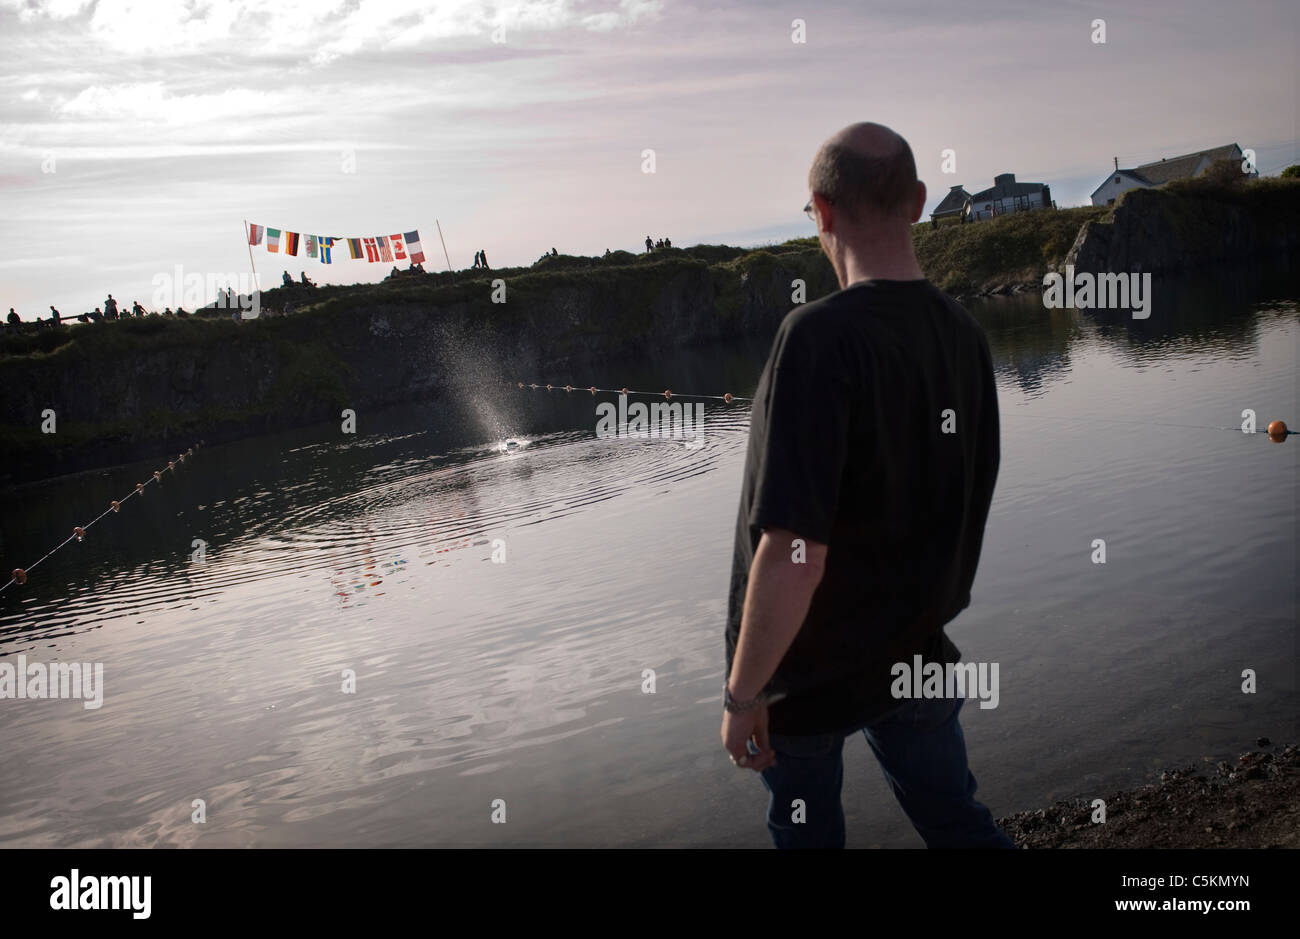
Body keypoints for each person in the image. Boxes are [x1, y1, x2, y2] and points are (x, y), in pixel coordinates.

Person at [722, 122, 1011, 850]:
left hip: (807, 684)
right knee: (959, 826)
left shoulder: (815, 336)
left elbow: (795, 551)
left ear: (820, 211)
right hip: (917, 655)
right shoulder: (964, 333)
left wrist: (743, 692)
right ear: (917, 200)